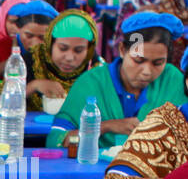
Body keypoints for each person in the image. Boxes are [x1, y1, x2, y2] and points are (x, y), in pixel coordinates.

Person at [46, 12, 188, 149]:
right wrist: (105, 127)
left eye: (158, 63)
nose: (147, 71)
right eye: (138, 60)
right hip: (94, 173)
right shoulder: (91, 83)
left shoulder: (172, 81)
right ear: (122, 50)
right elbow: (55, 140)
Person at [22, 9, 98, 112]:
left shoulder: (95, 69)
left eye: (78, 50)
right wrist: (34, 85)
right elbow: (0, 102)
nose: (69, 58)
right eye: (63, 48)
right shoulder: (31, 60)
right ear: (50, 43)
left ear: (88, 49)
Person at [0, 0, 56, 75]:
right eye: (29, 36)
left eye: (42, 38)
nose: (35, 43)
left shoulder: (59, 51)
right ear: (18, 29)